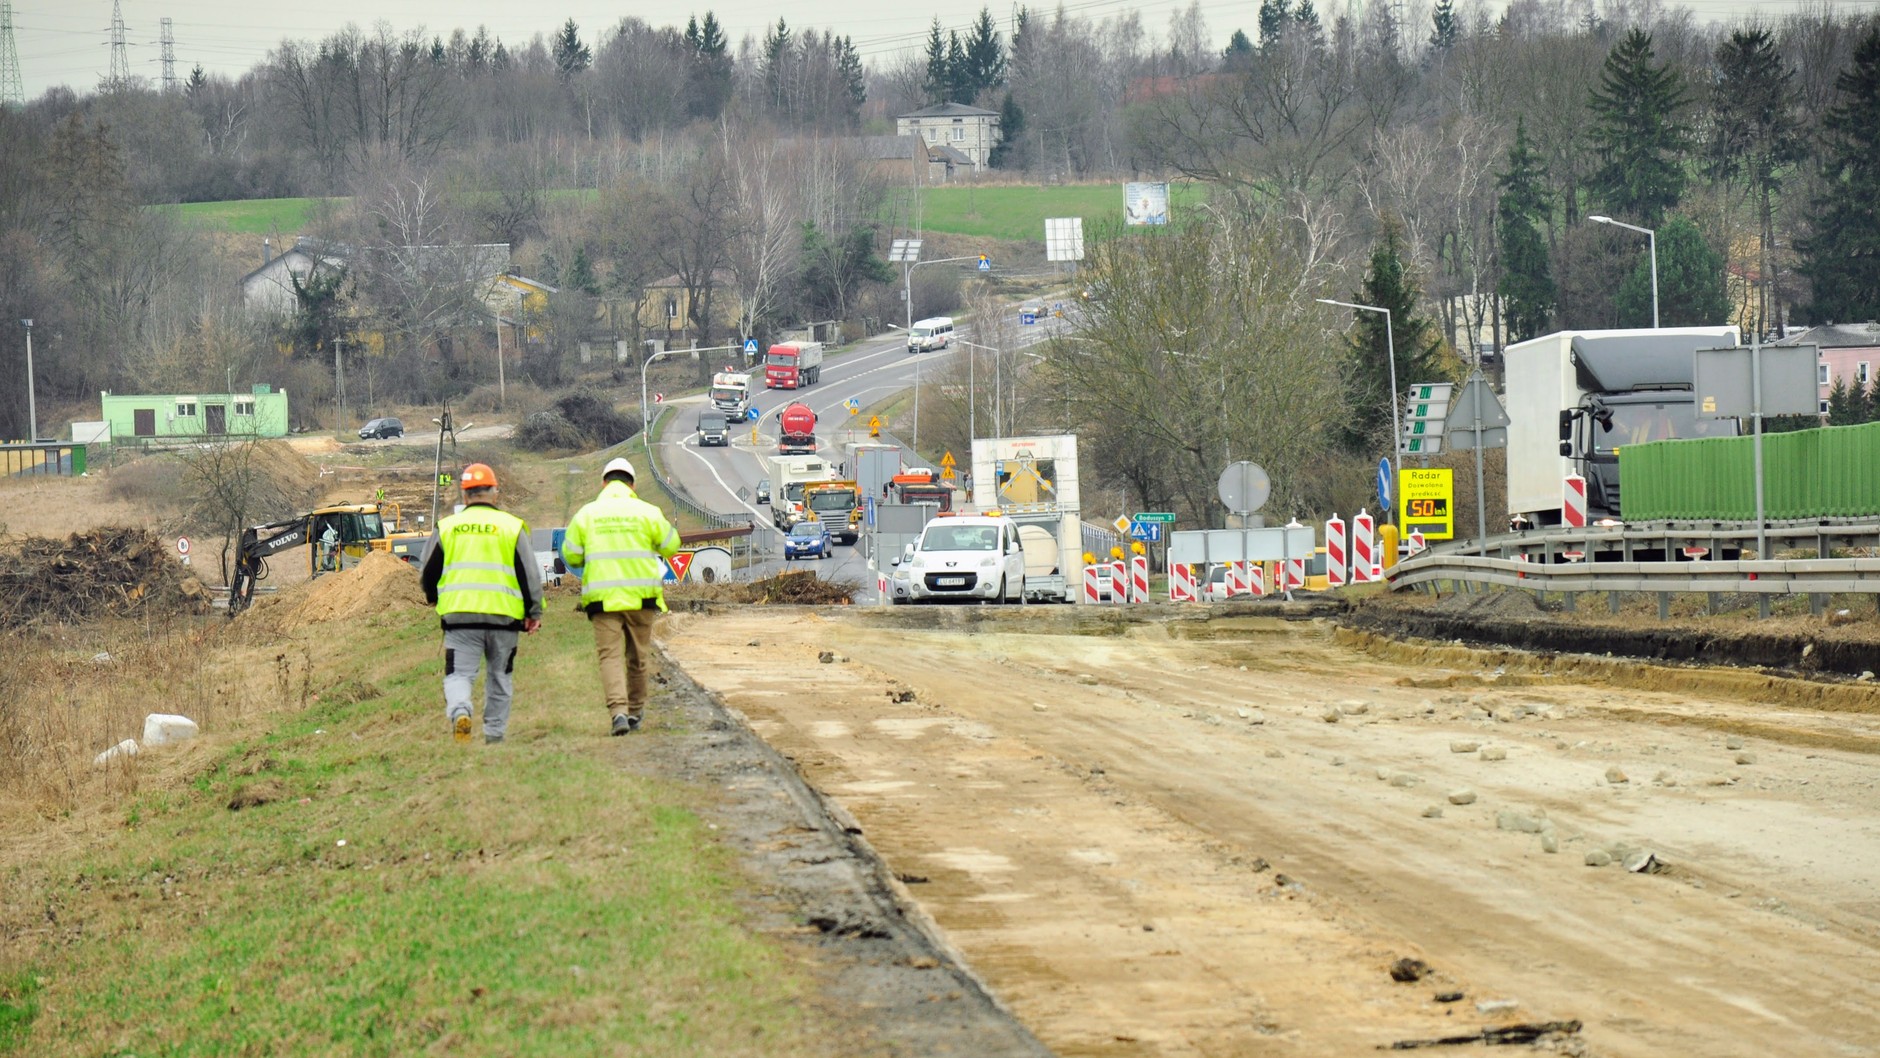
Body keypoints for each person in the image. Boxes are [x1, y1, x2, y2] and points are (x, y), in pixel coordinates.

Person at [418, 463, 543, 745]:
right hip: (504, 620)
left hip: (460, 619)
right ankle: (495, 736)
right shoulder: (512, 527)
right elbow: (530, 574)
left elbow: (427, 573)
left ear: (465, 495)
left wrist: (435, 598)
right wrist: (533, 612)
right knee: (500, 677)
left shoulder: (447, 528)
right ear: (494, 493)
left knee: (458, 675)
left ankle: (461, 711)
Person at [562, 457, 682, 736]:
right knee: (638, 657)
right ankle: (636, 712)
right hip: (642, 598)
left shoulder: (587, 514)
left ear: (603, 483)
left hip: (603, 599)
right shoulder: (648, 511)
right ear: (633, 485)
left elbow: (570, 554)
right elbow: (671, 546)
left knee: (610, 656)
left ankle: (618, 712)